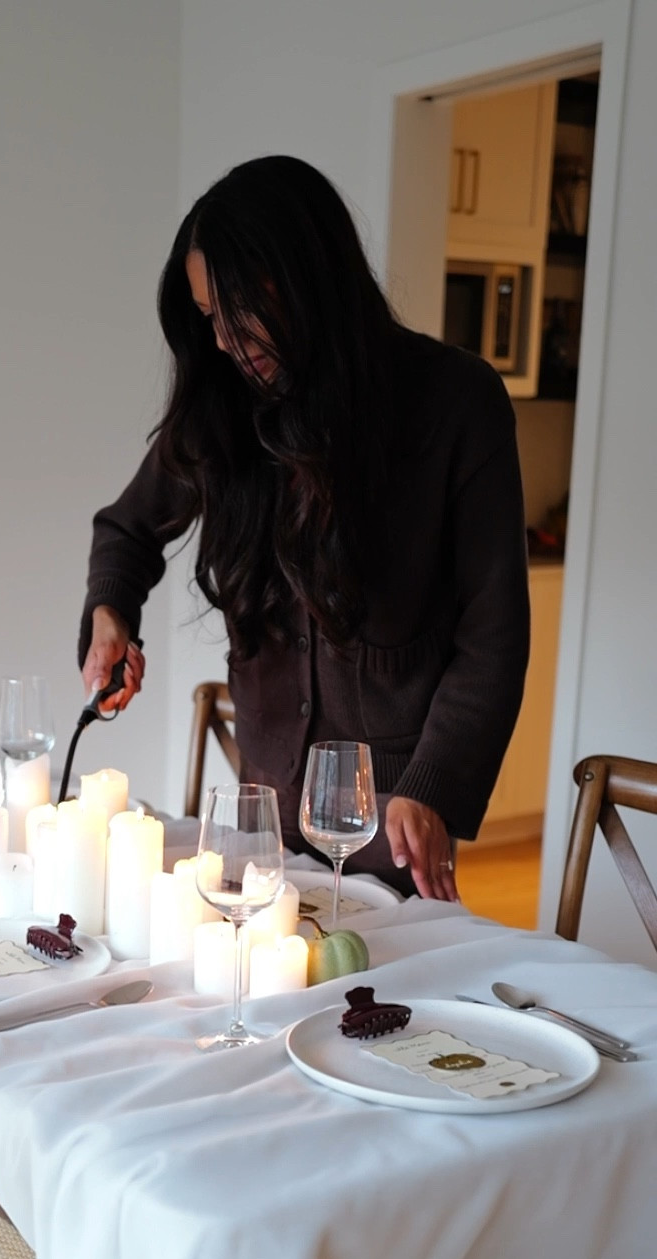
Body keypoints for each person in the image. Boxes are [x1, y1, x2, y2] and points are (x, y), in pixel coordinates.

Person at [77, 154, 531, 900]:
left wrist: (432, 787)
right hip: (259, 839)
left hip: (391, 839)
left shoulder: (455, 404)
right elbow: (127, 529)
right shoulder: (225, 407)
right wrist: (110, 614)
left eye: (233, 311)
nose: (222, 341)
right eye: (206, 320)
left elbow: (494, 637)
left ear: (304, 273)